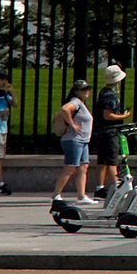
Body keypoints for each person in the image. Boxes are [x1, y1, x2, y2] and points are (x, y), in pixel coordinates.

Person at [51, 77, 93, 205]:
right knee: (70, 167)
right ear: (77, 91)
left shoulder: (81, 103)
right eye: (83, 89)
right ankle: (56, 194)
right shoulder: (75, 102)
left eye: (87, 89)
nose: (86, 92)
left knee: (83, 167)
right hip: (74, 140)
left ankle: (81, 195)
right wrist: (72, 124)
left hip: (83, 140)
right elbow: (65, 109)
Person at [91, 64, 131, 198]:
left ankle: (100, 187)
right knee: (112, 160)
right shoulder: (110, 96)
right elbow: (107, 115)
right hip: (109, 132)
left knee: (102, 160)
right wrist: (124, 116)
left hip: (100, 131)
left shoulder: (103, 92)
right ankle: (115, 185)